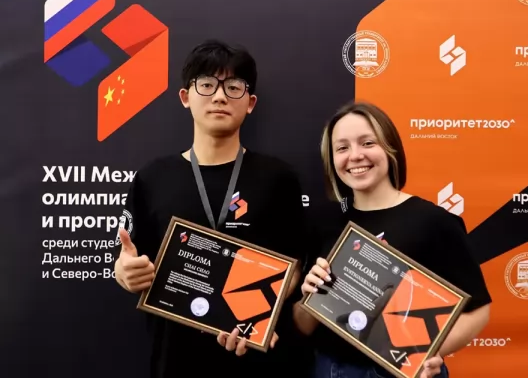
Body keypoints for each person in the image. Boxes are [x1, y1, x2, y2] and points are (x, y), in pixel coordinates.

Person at [113, 39, 310, 377]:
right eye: (206, 84)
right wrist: (125, 273)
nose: (220, 96)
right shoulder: (153, 177)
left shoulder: (279, 178)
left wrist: (259, 315)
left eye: (233, 87)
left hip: (255, 358)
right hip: (175, 358)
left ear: (250, 103)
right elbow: (127, 259)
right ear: (185, 97)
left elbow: (295, 263)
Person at [293, 101, 492, 378]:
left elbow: (478, 310)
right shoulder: (323, 222)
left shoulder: (433, 221)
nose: (355, 156)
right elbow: (303, 325)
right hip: (331, 369)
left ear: (391, 148)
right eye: (342, 148)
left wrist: (426, 355)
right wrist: (309, 298)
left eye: (368, 143)